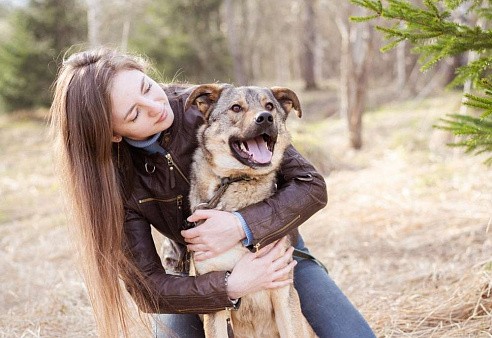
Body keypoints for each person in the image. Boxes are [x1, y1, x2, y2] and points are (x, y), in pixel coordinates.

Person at [50, 47, 375, 338]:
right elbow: (146, 286)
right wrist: (230, 285)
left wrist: (239, 226)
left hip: (273, 250)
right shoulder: (113, 179)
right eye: (134, 114)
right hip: (192, 274)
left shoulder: (216, 105)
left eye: (148, 87)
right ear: (112, 135)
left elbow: (311, 186)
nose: (155, 106)